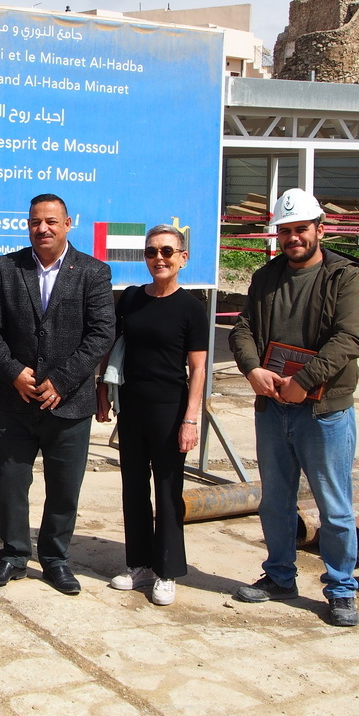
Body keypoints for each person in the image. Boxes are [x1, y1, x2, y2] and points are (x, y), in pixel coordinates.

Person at [229, 188, 359, 627]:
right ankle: (279, 575)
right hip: (273, 407)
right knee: (275, 501)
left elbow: (350, 339)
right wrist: (252, 370)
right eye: (285, 231)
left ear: (319, 229)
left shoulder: (344, 277)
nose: (293, 238)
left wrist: (303, 382)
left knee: (334, 505)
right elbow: (243, 329)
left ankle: (342, 589)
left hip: (323, 411)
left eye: (300, 230)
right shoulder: (266, 276)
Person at [0, 194, 114, 594]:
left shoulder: (93, 272)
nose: (43, 229)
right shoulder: (7, 267)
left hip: (68, 404)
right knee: (10, 483)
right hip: (14, 401)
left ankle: (55, 559)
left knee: (64, 487)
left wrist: (63, 380)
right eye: (36, 221)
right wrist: (15, 372)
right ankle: (13, 556)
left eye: (51, 221)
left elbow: (101, 333)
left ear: (68, 223)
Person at [96, 225, 207, 607]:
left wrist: (191, 419)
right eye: (150, 252)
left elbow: (199, 370)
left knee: (167, 491)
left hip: (170, 410)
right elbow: (111, 346)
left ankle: (168, 571)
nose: (158, 258)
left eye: (166, 251)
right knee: (133, 487)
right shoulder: (130, 299)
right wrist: (103, 391)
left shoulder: (192, 307)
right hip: (132, 406)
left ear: (182, 258)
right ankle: (139, 563)